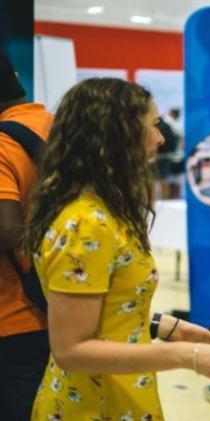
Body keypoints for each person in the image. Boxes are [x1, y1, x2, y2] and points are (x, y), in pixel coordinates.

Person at [24, 78, 210, 420]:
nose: (160, 138)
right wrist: (189, 357)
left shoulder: (105, 211)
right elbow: (71, 350)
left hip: (117, 392)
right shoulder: (86, 223)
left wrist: (164, 326)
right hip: (91, 405)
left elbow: (106, 309)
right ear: (117, 134)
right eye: (153, 126)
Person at [0, 50, 53, 421]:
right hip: (61, 305)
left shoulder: (2, 144)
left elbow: (7, 232)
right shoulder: (57, 127)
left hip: (13, 315)